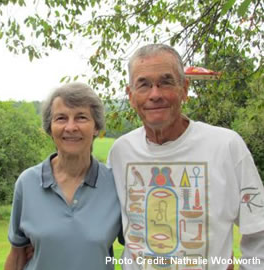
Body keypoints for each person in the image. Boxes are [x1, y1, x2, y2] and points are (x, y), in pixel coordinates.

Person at [108, 44, 264, 270]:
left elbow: (259, 231)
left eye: (166, 82)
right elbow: (97, 217)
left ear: (184, 88)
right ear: (131, 96)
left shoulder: (226, 146)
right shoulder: (120, 151)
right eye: (143, 84)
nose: (155, 94)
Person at [4, 82, 122, 270]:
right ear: (50, 128)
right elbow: (17, 255)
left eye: (81, 117)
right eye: (61, 118)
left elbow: (137, 247)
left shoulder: (116, 184)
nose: (70, 127)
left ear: (96, 127)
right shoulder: (27, 183)